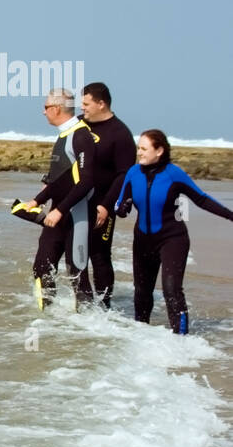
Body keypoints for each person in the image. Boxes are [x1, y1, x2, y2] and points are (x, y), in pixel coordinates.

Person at [115, 130, 233, 334]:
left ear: (159, 150)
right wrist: (121, 208)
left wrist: (231, 215)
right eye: (138, 148)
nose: (139, 152)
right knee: (142, 293)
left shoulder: (173, 174)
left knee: (171, 290)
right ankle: (139, 337)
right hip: (142, 240)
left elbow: (202, 199)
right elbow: (120, 203)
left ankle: (182, 341)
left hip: (172, 239)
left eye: (144, 148)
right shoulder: (133, 173)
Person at [19, 88, 98, 308]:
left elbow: (86, 181)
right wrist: (37, 201)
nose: (43, 112)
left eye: (45, 108)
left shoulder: (81, 136)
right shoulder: (64, 135)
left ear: (56, 108)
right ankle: (50, 322)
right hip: (58, 213)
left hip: (77, 215)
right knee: (41, 267)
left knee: (77, 273)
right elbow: (60, 180)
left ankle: (92, 330)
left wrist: (60, 209)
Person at [78, 82, 134, 307]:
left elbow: (124, 175)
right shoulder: (80, 126)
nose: (82, 108)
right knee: (76, 253)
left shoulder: (120, 134)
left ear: (101, 104)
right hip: (77, 201)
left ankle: (103, 305)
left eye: (86, 104)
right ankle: (81, 300)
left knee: (99, 255)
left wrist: (106, 205)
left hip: (102, 205)